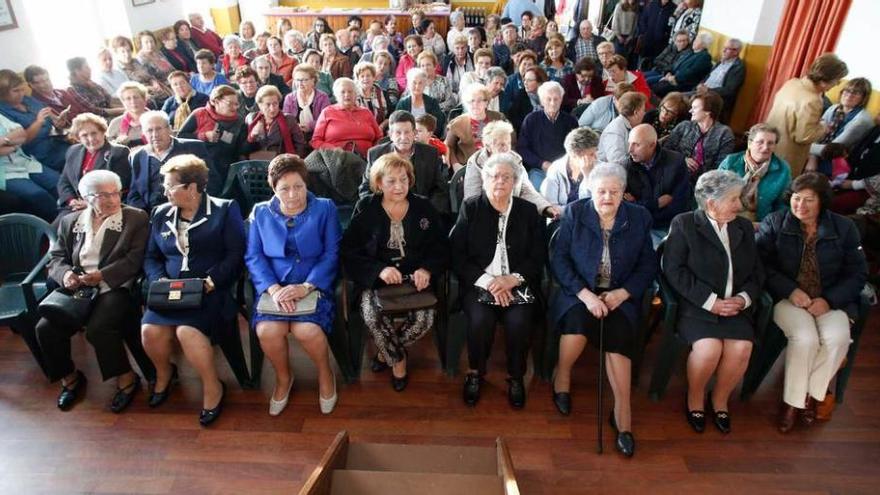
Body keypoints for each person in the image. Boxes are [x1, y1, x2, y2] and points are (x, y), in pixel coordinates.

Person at [549, 163, 657, 457]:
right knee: (577, 324)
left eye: (614, 191)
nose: (607, 197)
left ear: (624, 193)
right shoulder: (575, 212)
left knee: (620, 336)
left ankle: (623, 414)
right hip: (580, 290)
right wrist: (586, 296)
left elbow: (648, 264)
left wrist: (622, 294)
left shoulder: (639, 218)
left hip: (619, 293)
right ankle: (563, 376)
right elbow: (559, 260)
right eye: (601, 191)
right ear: (590, 191)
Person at [36, 170, 154, 412]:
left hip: (114, 286)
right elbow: (56, 257)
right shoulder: (71, 221)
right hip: (78, 287)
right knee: (45, 329)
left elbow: (134, 259)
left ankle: (127, 378)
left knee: (99, 329)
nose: (112, 200)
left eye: (115, 193)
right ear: (86, 196)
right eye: (103, 195)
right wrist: (66, 274)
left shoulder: (135, 218)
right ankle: (70, 378)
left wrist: (102, 275)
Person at [756, 173, 867, 432]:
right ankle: (792, 404)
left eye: (809, 200)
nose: (800, 206)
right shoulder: (776, 222)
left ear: (823, 202)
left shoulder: (844, 228)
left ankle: (809, 395)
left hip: (829, 300)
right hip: (789, 299)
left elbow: (857, 273)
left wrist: (829, 300)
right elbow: (761, 265)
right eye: (796, 198)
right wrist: (790, 290)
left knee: (838, 339)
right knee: (805, 339)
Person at [141, 154, 245, 426]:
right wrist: (159, 280)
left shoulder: (224, 209)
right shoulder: (161, 213)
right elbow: (151, 257)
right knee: (150, 331)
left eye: (170, 185)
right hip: (170, 290)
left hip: (209, 290)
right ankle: (165, 373)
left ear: (192, 187)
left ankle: (213, 386)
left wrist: (212, 280)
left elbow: (235, 254)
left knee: (187, 332)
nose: (164, 191)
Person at [663, 170, 763, 434]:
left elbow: (757, 272)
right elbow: (674, 270)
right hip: (697, 306)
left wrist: (742, 300)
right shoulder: (684, 224)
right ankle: (695, 397)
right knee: (709, 350)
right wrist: (710, 301)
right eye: (732, 199)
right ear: (711, 203)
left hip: (735, 306)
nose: (739, 205)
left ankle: (720, 399)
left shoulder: (742, 227)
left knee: (741, 348)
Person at [342, 153, 449, 392]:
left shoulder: (423, 207)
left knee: (423, 320)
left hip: (415, 280)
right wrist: (379, 270)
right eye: (391, 181)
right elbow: (349, 250)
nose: (399, 186)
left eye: (404, 179)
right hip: (377, 281)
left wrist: (427, 268)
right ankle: (398, 361)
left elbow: (441, 245)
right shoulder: (366, 207)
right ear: (379, 183)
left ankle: (384, 354)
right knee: (372, 315)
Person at [450, 152, 546, 409]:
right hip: (481, 283)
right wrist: (489, 282)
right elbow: (457, 255)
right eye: (494, 176)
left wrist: (511, 280)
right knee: (480, 319)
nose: (500, 181)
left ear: (515, 181)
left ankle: (515, 376)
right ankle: (475, 372)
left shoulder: (528, 212)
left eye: (507, 177)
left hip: (517, 282)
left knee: (519, 320)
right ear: (484, 179)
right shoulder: (471, 207)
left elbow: (538, 256)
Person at [246, 154, 340, 415]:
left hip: (313, 284)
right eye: (284, 188)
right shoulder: (260, 213)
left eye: (298, 186)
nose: (292, 194)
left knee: (306, 331)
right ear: (273, 188)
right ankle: (284, 377)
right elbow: (254, 256)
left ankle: (325, 374)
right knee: (267, 331)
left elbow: (331, 253)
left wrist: (307, 286)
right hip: (275, 288)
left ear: (306, 183)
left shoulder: (325, 208)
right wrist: (274, 288)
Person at [765, 54, 849, 177]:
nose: (837, 84)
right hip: (787, 154)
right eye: (837, 80)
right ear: (827, 79)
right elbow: (804, 136)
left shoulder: (792, 83)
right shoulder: (813, 100)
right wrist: (823, 127)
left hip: (767, 143)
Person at [359, 110, 448, 213]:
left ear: (414, 133)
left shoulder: (430, 153)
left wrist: (428, 210)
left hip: (421, 211)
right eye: (398, 133)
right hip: (386, 211)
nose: (403, 137)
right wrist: (381, 211)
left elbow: (440, 189)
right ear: (390, 135)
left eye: (407, 132)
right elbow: (366, 189)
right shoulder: (375, 154)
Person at [464, 120, 557, 217]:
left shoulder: (515, 160)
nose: (506, 149)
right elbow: (472, 198)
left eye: (508, 144)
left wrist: (546, 208)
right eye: (501, 145)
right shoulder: (476, 163)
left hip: (513, 213)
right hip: (484, 214)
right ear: (488, 146)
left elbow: (526, 190)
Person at [127, 111, 209, 212]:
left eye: (159, 129)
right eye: (149, 130)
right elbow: (134, 194)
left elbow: (211, 181)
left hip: (188, 209)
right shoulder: (137, 156)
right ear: (143, 133)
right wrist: (143, 215)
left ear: (170, 129)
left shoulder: (193, 148)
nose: (155, 134)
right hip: (151, 214)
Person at [624, 123, 690, 245]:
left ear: (652, 145)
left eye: (636, 145)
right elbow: (626, 205)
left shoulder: (676, 163)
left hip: (666, 227)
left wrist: (639, 205)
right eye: (629, 143)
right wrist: (656, 204)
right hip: (639, 224)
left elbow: (680, 204)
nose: (630, 150)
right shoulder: (628, 166)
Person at [179, 85, 249, 195]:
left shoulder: (239, 122)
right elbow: (180, 137)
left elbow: (240, 150)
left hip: (224, 169)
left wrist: (253, 138)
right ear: (216, 101)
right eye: (230, 103)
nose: (234, 107)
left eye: (236, 104)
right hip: (198, 166)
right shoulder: (199, 113)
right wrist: (203, 136)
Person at [58, 113, 131, 217]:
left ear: (102, 132)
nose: (91, 139)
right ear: (78, 138)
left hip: (104, 208)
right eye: (84, 135)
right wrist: (71, 200)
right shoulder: (73, 151)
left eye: (94, 133)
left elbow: (119, 187)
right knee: (51, 231)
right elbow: (64, 182)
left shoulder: (118, 153)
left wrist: (90, 203)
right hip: (75, 207)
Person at [718, 123, 792, 223]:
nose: (765, 147)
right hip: (724, 218)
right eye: (760, 142)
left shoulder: (783, 170)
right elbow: (715, 193)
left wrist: (766, 225)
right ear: (750, 143)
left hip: (759, 225)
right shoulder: (730, 162)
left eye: (770, 143)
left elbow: (782, 205)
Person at [0, 69, 70, 172]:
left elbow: (47, 114)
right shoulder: (3, 113)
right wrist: (38, 123)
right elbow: (22, 140)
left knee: (87, 151)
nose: (21, 93)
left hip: (54, 140)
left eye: (22, 89)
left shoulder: (27, 99)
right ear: (3, 93)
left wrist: (57, 121)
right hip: (37, 152)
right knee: (78, 158)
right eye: (16, 91)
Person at [517, 81, 579, 189]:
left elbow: (577, 148)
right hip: (538, 170)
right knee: (536, 194)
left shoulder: (570, 121)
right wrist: (542, 164)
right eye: (548, 99)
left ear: (561, 99)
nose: (552, 103)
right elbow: (522, 148)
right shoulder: (531, 119)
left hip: (564, 170)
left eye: (556, 99)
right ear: (542, 101)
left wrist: (566, 166)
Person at [807, 78, 874, 176]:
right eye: (847, 91)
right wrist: (812, 159)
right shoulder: (833, 108)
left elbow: (832, 149)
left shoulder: (861, 121)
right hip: (820, 151)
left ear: (863, 98)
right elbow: (817, 134)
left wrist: (804, 147)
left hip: (838, 161)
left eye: (856, 93)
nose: (849, 95)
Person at [0, 112, 60, 221]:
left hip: (24, 161)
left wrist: (4, 141)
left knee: (57, 181)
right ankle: (60, 225)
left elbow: (21, 134)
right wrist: (13, 143)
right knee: (38, 195)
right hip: (4, 173)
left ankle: (76, 213)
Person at [664, 91, 735, 180]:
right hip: (674, 173)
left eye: (695, 108)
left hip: (705, 181)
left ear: (708, 111)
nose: (690, 111)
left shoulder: (724, 134)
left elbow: (722, 166)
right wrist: (682, 159)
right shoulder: (684, 126)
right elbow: (666, 149)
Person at [310, 78, 383, 157]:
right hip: (336, 159)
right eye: (343, 92)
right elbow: (316, 141)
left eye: (350, 92)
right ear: (336, 95)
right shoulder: (327, 112)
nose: (347, 95)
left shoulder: (366, 112)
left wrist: (374, 153)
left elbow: (379, 137)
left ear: (355, 94)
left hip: (366, 158)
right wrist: (333, 149)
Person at [445, 83, 506, 170]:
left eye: (480, 100)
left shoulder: (498, 118)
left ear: (486, 102)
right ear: (466, 103)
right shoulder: (457, 123)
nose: (475, 104)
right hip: (468, 168)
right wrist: (456, 165)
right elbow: (448, 145)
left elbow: (508, 142)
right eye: (471, 101)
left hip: (495, 166)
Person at [541, 127, 599, 208]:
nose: (596, 157)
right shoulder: (556, 169)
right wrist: (573, 213)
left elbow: (597, 203)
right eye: (591, 154)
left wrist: (588, 175)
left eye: (596, 151)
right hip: (562, 218)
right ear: (576, 155)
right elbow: (551, 207)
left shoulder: (600, 169)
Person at [245, 85, 306, 158]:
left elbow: (300, 144)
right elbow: (243, 148)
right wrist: (252, 135)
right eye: (268, 104)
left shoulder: (289, 119)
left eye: (275, 104)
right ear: (260, 105)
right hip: (257, 160)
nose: (272, 109)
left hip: (281, 160)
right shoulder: (251, 118)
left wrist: (294, 160)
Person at [110, 36, 171, 108]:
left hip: (153, 89)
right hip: (140, 94)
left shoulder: (136, 61)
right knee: (156, 102)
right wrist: (146, 88)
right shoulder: (118, 70)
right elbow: (129, 88)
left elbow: (149, 76)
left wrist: (154, 82)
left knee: (169, 97)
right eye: (123, 51)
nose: (127, 54)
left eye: (128, 50)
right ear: (116, 53)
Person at [693, 38, 745, 118]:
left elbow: (729, 90)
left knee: (683, 102)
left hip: (714, 98)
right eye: (724, 47)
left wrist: (708, 90)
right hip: (703, 92)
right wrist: (700, 84)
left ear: (736, 52)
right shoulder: (721, 61)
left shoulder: (737, 67)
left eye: (727, 48)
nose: (723, 50)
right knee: (678, 97)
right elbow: (708, 76)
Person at [651, 32, 713, 97]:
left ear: (704, 44)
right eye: (695, 39)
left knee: (656, 87)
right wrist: (668, 72)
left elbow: (690, 73)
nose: (694, 42)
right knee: (649, 83)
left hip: (682, 84)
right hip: (672, 77)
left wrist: (673, 78)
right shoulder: (691, 52)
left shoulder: (704, 57)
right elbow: (676, 64)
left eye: (697, 40)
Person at [282, 64, 331, 145]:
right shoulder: (289, 98)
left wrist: (310, 126)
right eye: (297, 80)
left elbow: (326, 120)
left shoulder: (323, 97)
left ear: (313, 80)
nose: (300, 83)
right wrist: (296, 127)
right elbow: (285, 120)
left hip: (318, 135)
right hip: (295, 137)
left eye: (304, 80)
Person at [597, 91, 647, 166]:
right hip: (609, 173)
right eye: (643, 110)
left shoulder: (631, 125)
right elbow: (617, 163)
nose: (644, 113)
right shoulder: (615, 130)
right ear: (636, 113)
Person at [395, 69, 446, 140]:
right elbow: (397, 125)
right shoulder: (402, 103)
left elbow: (438, 125)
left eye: (420, 83)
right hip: (406, 139)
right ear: (408, 84)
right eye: (414, 83)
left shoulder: (432, 102)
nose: (417, 86)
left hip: (428, 139)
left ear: (425, 84)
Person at [507, 66, 548, 133]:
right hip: (526, 133)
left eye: (529, 80)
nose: (525, 83)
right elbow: (513, 119)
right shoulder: (520, 95)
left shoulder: (549, 95)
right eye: (524, 80)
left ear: (539, 82)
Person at [107, 82, 149, 147]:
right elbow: (108, 148)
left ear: (144, 99)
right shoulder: (116, 123)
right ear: (123, 102)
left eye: (136, 97)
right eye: (128, 99)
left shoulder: (157, 119)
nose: (133, 102)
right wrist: (117, 143)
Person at [635, 0, 677, 65]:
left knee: (653, 65)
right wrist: (644, 32)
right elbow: (642, 20)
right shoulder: (652, 4)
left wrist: (664, 36)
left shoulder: (674, 8)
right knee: (641, 65)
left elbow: (672, 26)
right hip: (646, 42)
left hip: (660, 46)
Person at [353, 61, 390, 129]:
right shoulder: (353, 94)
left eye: (368, 75)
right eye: (362, 76)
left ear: (373, 77)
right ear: (358, 79)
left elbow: (388, 116)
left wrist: (381, 127)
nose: (365, 78)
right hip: (359, 130)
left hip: (380, 129)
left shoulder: (381, 92)